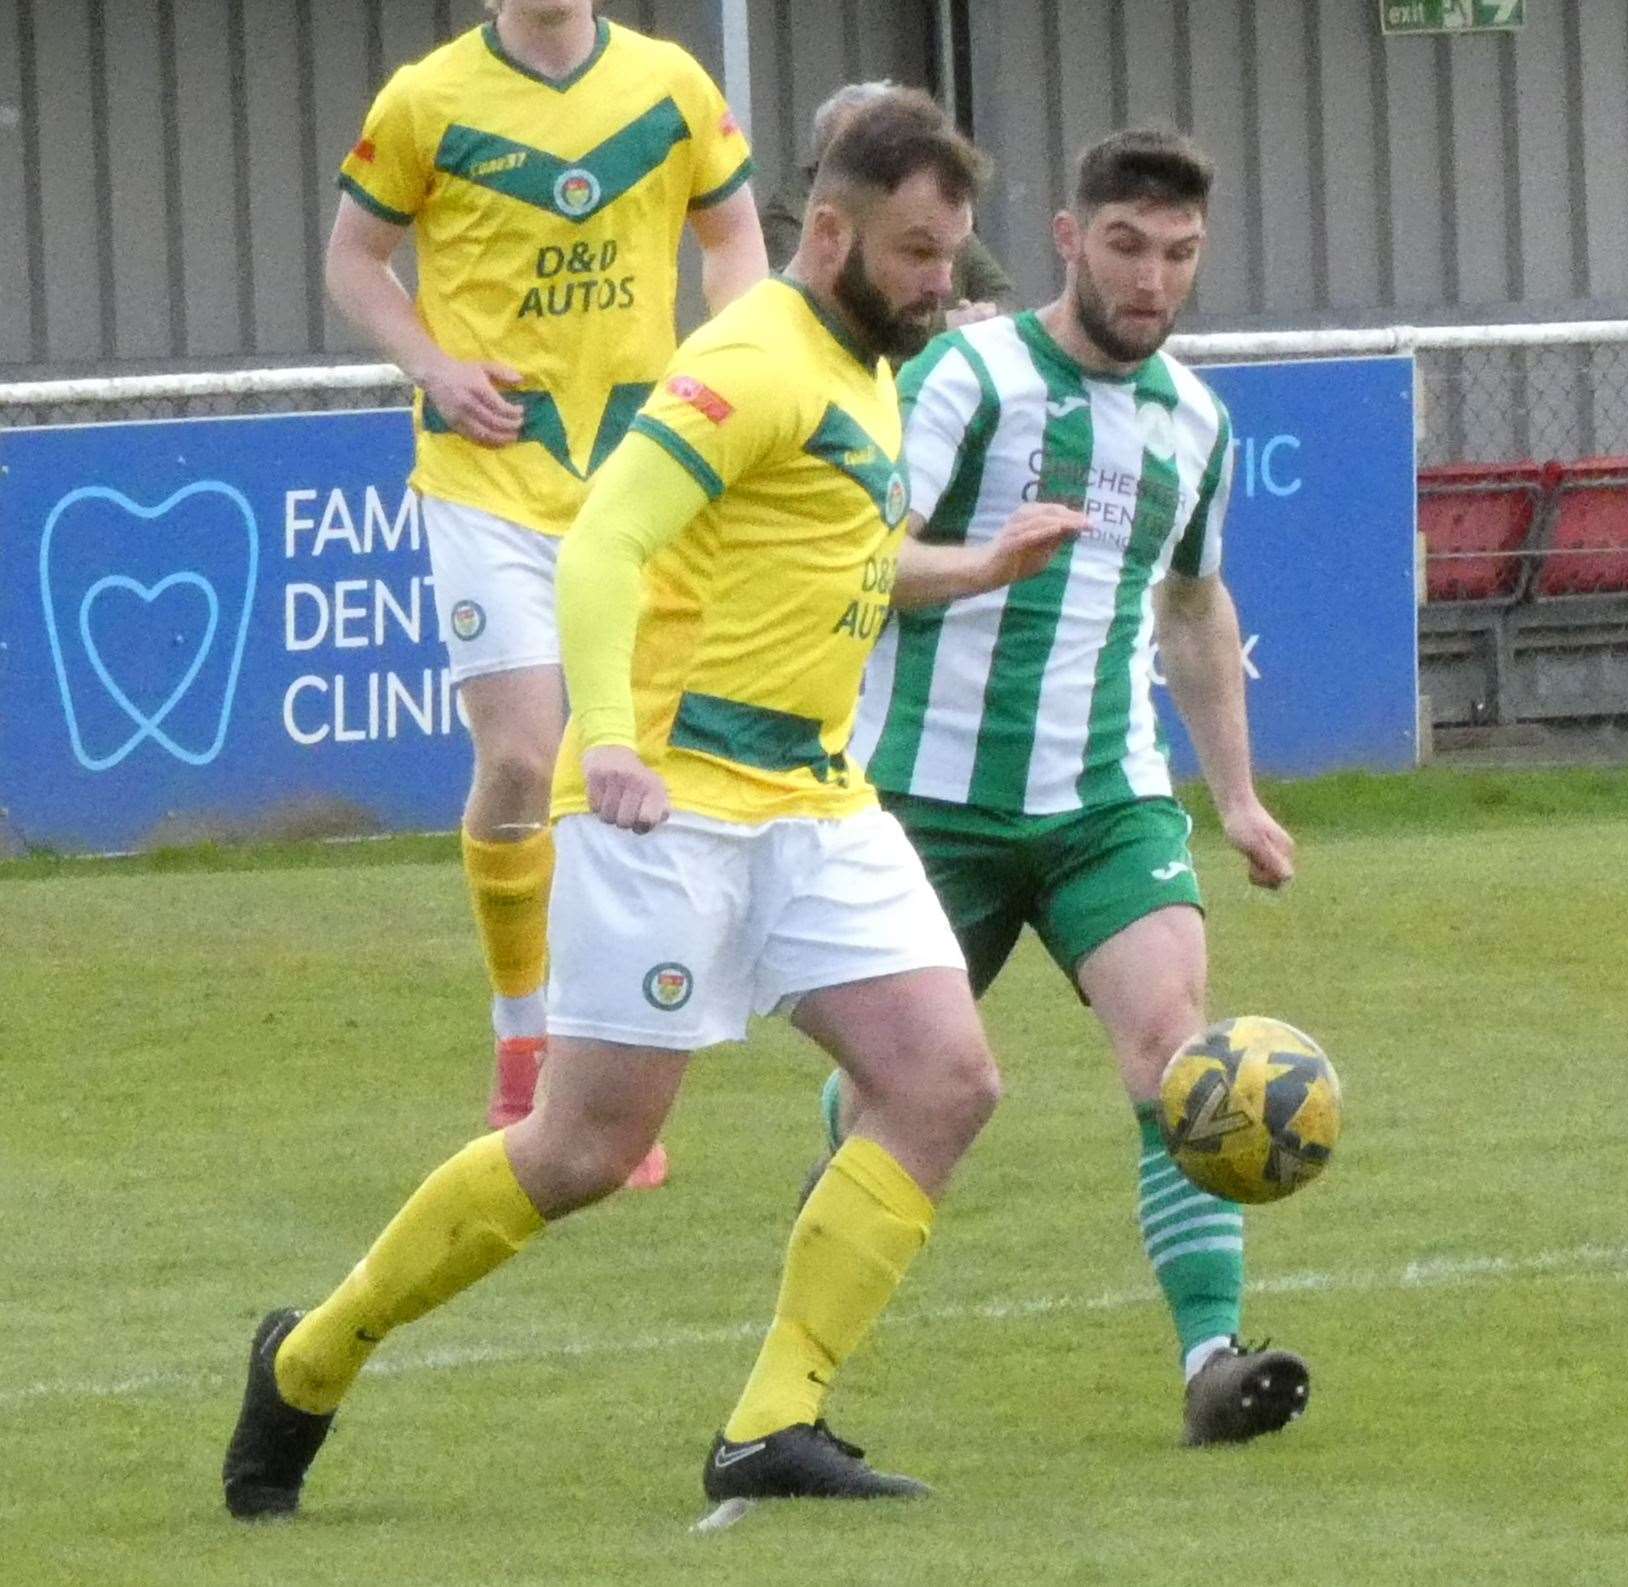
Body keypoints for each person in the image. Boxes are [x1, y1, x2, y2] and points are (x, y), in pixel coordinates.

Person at [221, 88, 1085, 1522]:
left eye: (954, 253)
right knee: (584, 1150)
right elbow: (603, 544)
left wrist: (976, 567)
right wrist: (608, 740)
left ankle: (776, 1419)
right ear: (830, 230)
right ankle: (311, 1356)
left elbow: (840, 563)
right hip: (665, 801)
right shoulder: (752, 358)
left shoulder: (865, 365)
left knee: (946, 1077)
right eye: (921, 253)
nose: (946, 283)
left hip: (813, 796)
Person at [821, 126, 1312, 1447]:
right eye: (1128, 246)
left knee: (1176, 1053)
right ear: (1068, 238)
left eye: (1180, 255)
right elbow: (864, 558)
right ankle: (835, 1208)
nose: (1153, 279)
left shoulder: (1195, 418)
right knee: (899, 1087)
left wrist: (1239, 796)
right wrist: (986, 564)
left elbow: (1196, 606)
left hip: (1107, 797)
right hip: (928, 804)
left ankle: (1214, 1355)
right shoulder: (969, 376)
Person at [326, 0, 769, 1175]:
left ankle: (601, 1079)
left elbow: (732, 241)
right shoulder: (426, 100)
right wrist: (433, 365)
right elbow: (353, 258)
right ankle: (522, 1042)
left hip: (643, 469)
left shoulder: (671, 84)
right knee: (524, 758)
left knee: (625, 776)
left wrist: (729, 357)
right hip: (488, 472)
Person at [762, 81, 1014, 329]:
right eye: (918, 252)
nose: (943, 284)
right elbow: (824, 304)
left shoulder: (933, 215)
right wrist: (946, 325)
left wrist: (985, 317)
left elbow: (1002, 295)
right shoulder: (794, 213)